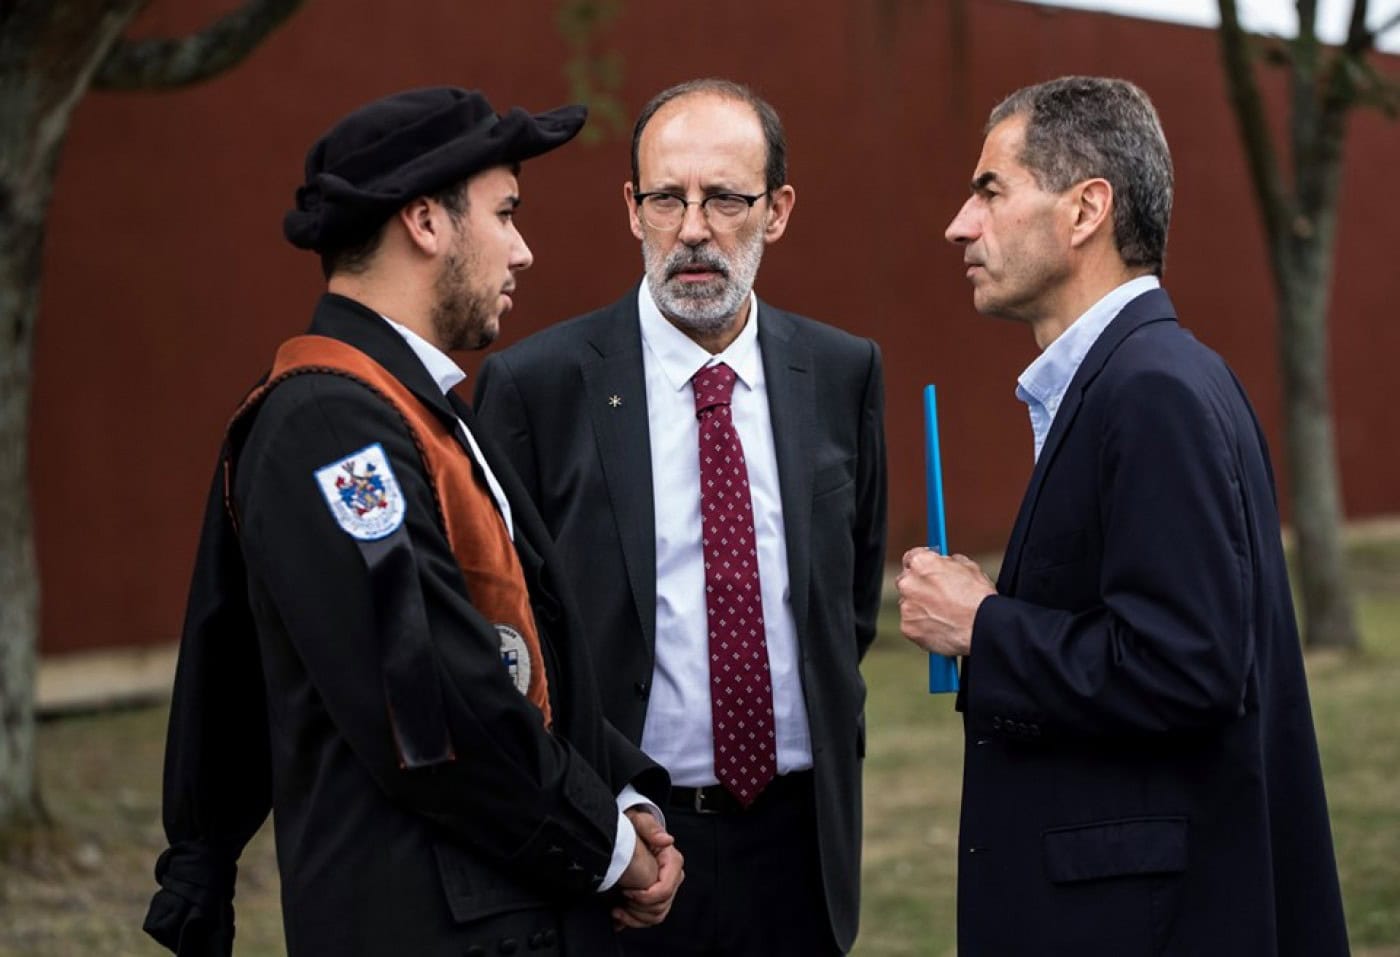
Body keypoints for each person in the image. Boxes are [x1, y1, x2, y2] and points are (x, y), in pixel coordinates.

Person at [142, 86, 684, 957]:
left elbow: (527, 653)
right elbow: (432, 709)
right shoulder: (331, 427)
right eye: (505, 214)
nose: (524, 250)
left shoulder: (411, 409)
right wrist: (605, 846)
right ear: (426, 222)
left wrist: (620, 795)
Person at [895, 76, 1349, 955]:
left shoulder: (1150, 390)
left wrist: (981, 625)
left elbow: (1186, 666)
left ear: (1085, 209)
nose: (961, 223)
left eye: (990, 190)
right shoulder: (1153, 376)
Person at [471, 79, 886, 956]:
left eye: (726, 199)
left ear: (777, 210)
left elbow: (845, 606)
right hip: (628, 852)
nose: (694, 229)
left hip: (800, 849)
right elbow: (510, 635)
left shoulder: (842, 373)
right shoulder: (537, 389)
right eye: (668, 197)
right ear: (633, 209)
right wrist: (606, 824)